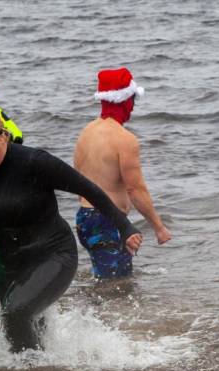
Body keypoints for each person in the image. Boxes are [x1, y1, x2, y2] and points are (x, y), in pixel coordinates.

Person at [0, 109, 142, 353]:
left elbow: (89, 189)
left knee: (16, 314)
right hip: (8, 265)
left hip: (53, 254)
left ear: (2, 136)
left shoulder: (34, 162)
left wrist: (124, 227)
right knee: (16, 327)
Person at [74, 67, 171, 279]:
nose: (133, 108)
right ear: (126, 100)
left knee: (116, 282)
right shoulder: (125, 139)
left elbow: (77, 179)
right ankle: (93, 313)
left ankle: (95, 312)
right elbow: (135, 189)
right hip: (106, 222)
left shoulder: (86, 132)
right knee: (113, 286)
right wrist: (159, 227)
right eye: (133, 100)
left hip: (85, 219)